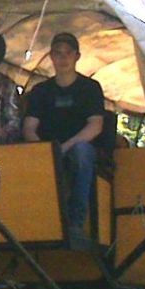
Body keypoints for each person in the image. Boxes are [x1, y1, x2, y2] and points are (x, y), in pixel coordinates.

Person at [22, 32, 104, 236]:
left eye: (68, 53)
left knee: (81, 153)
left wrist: (64, 148)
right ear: (51, 57)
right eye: (58, 53)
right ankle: (30, 221)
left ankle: (76, 222)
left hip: (79, 149)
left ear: (77, 56)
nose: (63, 58)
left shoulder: (90, 89)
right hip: (47, 149)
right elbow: (29, 127)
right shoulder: (41, 91)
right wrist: (44, 149)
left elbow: (96, 125)